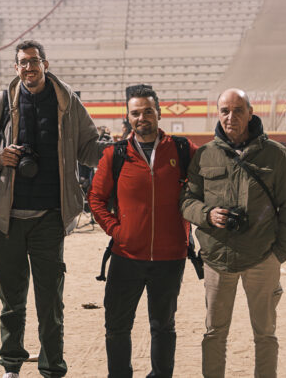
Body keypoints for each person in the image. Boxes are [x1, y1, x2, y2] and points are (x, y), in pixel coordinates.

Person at [0, 40, 105, 378]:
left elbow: (89, 148)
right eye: (23, 62)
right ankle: (11, 366)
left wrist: (116, 155)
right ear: (16, 68)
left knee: (51, 303)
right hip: (6, 218)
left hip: (49, 217)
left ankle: (52, 368)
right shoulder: (1, 102)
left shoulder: (68, 102)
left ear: (45, 64)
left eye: (34, 61)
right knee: (11, 303)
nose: (29, 67)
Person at [180, 88, 286, 378]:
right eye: (225, 111)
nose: (231, 117)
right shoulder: (205, 155)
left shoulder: (275, 155)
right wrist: (207, 214)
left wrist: (280, 253)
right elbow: (187, 201)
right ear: (218, 114)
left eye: (238, 110)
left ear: (250, 113)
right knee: (214, 333)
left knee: (265, 334)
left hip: (262, 258)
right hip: (216, 259)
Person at [89, 86, 196, 378]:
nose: (142, 118)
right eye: (135, 113)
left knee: (163, 326)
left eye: (148, 111)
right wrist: (117, 231)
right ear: (128, 117)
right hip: (126, 256)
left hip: (170, 257)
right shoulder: (115, 154)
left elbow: (206, 186)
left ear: (159, 113)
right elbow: (96, 198)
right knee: (117, 326)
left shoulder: (183, 149)